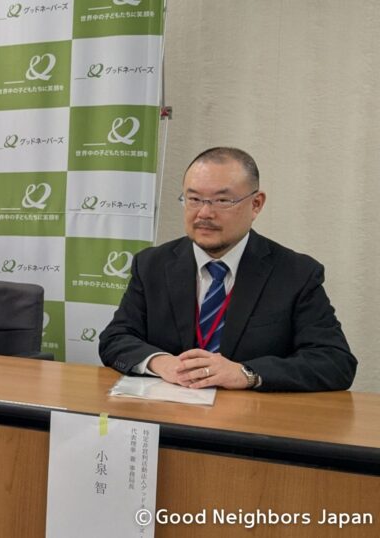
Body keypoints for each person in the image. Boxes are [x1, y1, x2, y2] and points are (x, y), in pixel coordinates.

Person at [99, 147, 356, 392]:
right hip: (169, 411)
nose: (204, 213)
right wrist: (161, 363)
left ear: (256, 204)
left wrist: (245, 373)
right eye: (194, 199)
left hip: (250, 416)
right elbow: (115, 338)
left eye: (222, 200)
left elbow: (335, 362)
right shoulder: (152, 264)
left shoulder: (296, 273)